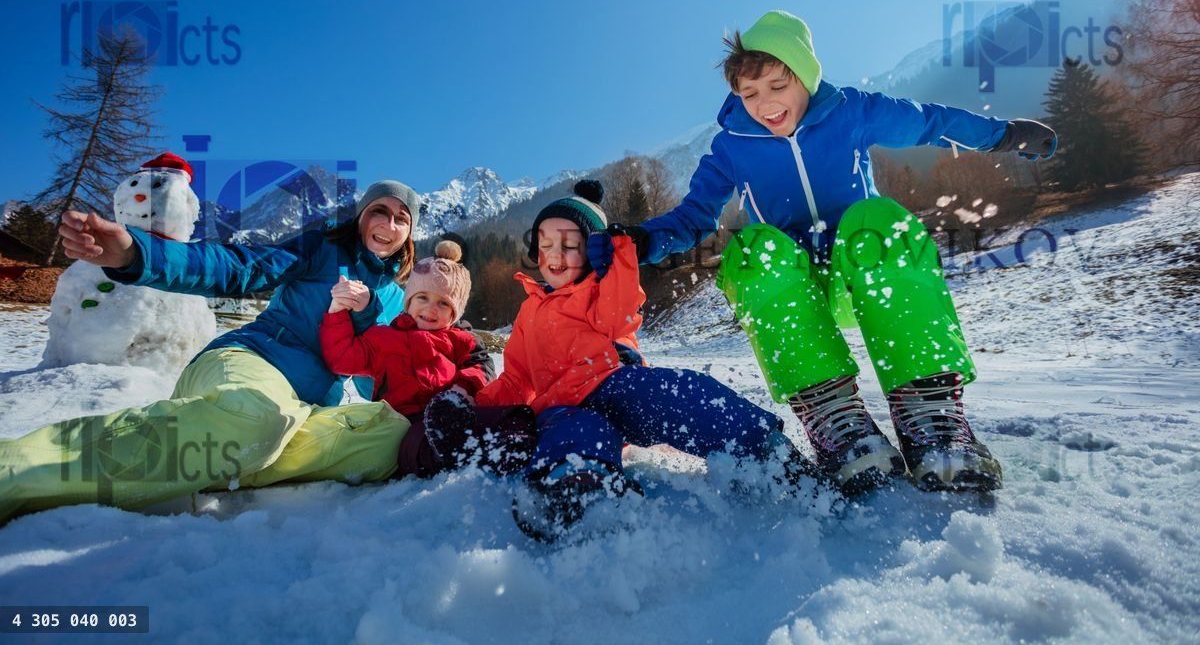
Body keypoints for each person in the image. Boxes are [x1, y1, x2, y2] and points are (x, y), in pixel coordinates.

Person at [626, 11, 1058, 495]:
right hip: (796, 294)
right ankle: (838, 425)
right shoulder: (730, 148)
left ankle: (930, 416)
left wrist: (1004, 135)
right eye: (750, 94)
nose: (765, 104)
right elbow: (693, 217)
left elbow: (930, 122)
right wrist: (640, 239)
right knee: (751, 249)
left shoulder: (850, 111)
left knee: (879, 219)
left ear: (805, 77)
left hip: (868, 276)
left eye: (777, 85)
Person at [0, 180, 492, 522]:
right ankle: (17, 471)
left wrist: (460, 366)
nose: (389, 223)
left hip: (300, 409)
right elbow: (240, 266)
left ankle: (220, 456)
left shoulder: (399, 301)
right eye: (379, 211)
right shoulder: (321, 248)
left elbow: (391, 372)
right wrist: (137, 254)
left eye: (402, 218)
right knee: (260, 418)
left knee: (391, 440)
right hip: (250, 364)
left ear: (410, 234)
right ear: (361, 217)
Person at [475, 181, 816, 541]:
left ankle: (762, 446)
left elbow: (620, 314)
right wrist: (477, 410)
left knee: (676, 391)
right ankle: (576, 484)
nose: (555, 256)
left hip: (616, 387)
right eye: (545, 246)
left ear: (592, 252)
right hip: (564, 408)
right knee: (571, 431)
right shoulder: (528, 311)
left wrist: (619, 256)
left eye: (570, 246)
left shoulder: (598, 290)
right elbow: (516, 378)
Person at [319, 240, 535, 478]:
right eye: (422, 297)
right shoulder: (384, 339)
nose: (431, 309)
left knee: (514, 417)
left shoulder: (461, 340)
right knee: (415, 447)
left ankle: (514, 448)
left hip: (457, 413)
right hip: (406, 423)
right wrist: (337, 312)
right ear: (409, 301)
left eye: (443, 303)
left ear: (455, 312)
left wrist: (461, 390)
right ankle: (468, 456)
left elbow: (480, 367)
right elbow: (342, 358)